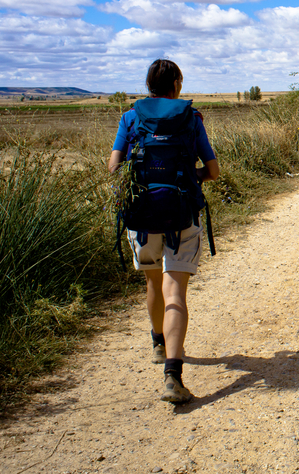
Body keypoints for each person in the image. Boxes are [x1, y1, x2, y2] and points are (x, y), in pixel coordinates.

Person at [108, 59, 220, 403]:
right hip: (182, 215)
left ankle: (158, 342)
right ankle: (173, 374)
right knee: (177, 293)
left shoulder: (130, 117)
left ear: (148, 86)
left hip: (141, 217)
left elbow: (114, 168)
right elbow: (213, 171)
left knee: (153, 281)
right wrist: (186, 179)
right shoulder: (191, 117)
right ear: (177, 84)